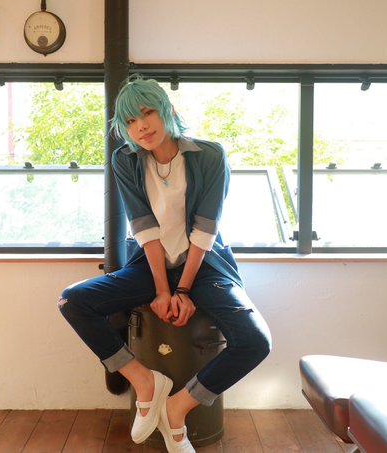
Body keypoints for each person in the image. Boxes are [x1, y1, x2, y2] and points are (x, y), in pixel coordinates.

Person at [58, 75, 271, 453]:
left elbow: (205, 229)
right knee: (73, 301)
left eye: (147, 113)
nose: (140, 126)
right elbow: (145, 229)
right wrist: (161, 289)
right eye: (130, 120)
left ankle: (177, 408)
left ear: (167, 110)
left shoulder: (210, 155)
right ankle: (144, 382)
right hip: (150, 264)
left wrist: (183, 289)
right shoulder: (125, 160)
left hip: (204, 266)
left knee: (255, 341)